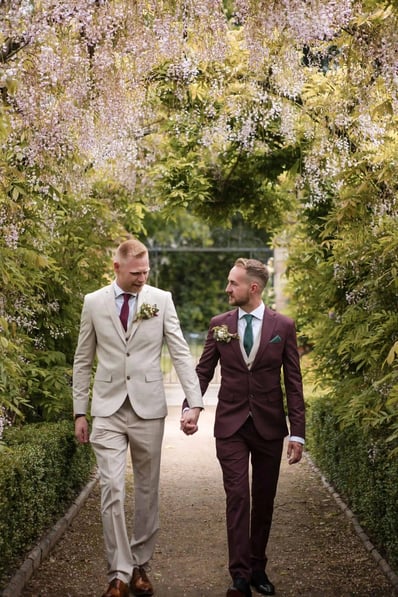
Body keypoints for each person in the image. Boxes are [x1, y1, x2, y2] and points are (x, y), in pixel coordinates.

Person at [73, 238, 203, 597]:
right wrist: (79, 411)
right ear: (116, 268)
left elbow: (179, 351)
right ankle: (118, 572)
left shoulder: (161, 301)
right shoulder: (94, 303)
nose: (142, 278)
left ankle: (141, 564)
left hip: (148, 408)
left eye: (146, 272)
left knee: (147, 490)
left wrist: (195, 402)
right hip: (107, 410)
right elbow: (83, 359)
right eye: (135, 273)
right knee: (111, 488)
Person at [181, 257, 305, 597]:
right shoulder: (219, 324)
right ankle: (238, 576)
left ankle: (257, 567)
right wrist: (191, 407)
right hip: (231, 425)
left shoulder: (283, 326)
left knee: (264, 500)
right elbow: (202, 372)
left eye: (233, 283)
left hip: (269, 427)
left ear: (253, 288)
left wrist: (297, 432)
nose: (227, 288)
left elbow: (293, 383)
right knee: (237, 497)